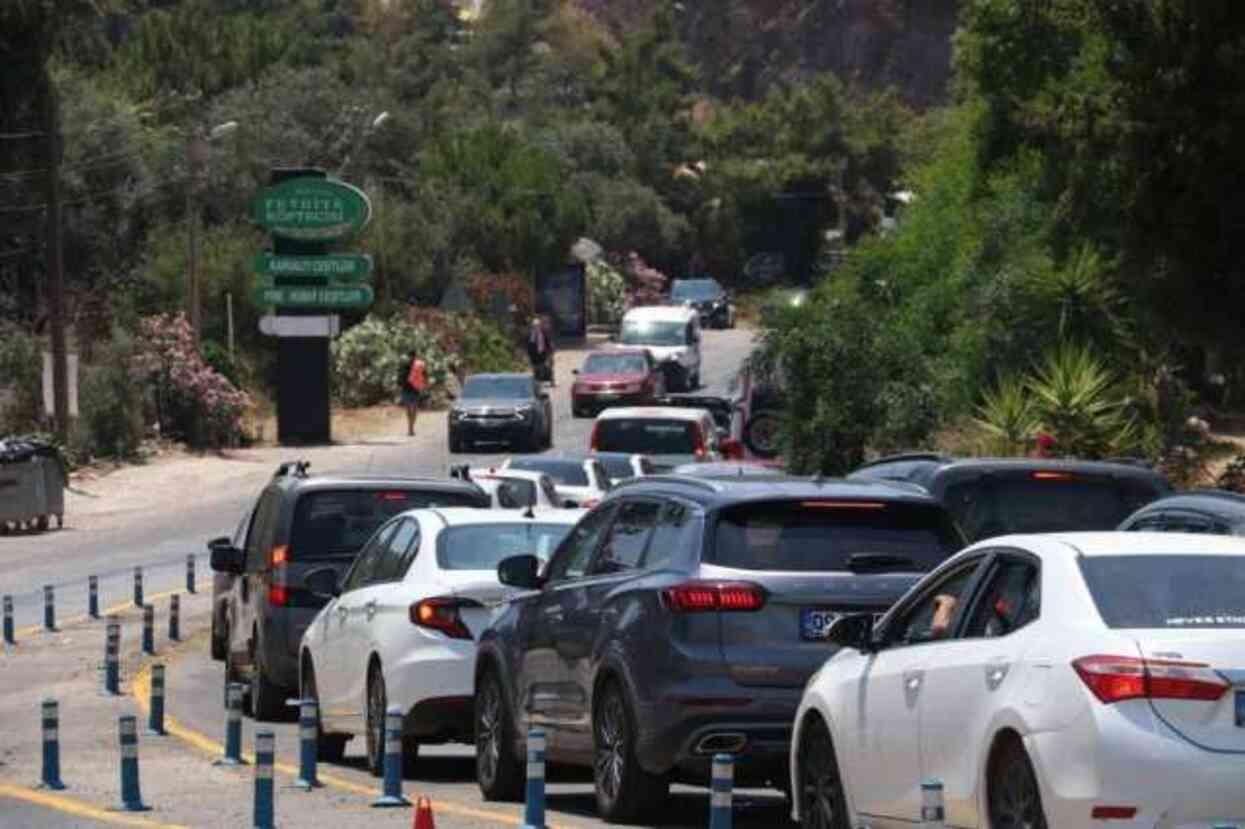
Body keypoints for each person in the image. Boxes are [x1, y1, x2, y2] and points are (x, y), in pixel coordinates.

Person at [398, 351, 427, 437]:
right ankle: (411, 427)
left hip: (409, 389)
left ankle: (411, 427)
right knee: (412, 408)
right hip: (413, 389)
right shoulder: (418, 365)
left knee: (411, 409)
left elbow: (400, 377)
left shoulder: (409, 365)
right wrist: (424, 384)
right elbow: (425, 375)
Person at [527, 316, 554, 385]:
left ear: (540, 326)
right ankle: (537, 382)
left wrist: (550, 352)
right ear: (532, 326)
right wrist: (528, 355)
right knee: (535, 369)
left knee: (544, 368)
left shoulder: (543, 333)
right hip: (534, 355)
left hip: (542, 354)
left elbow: (548, 342)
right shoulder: (530, 334)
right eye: (534, 326)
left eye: (537, 325)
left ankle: (548, 381)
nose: (536, 327)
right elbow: (528, 345)